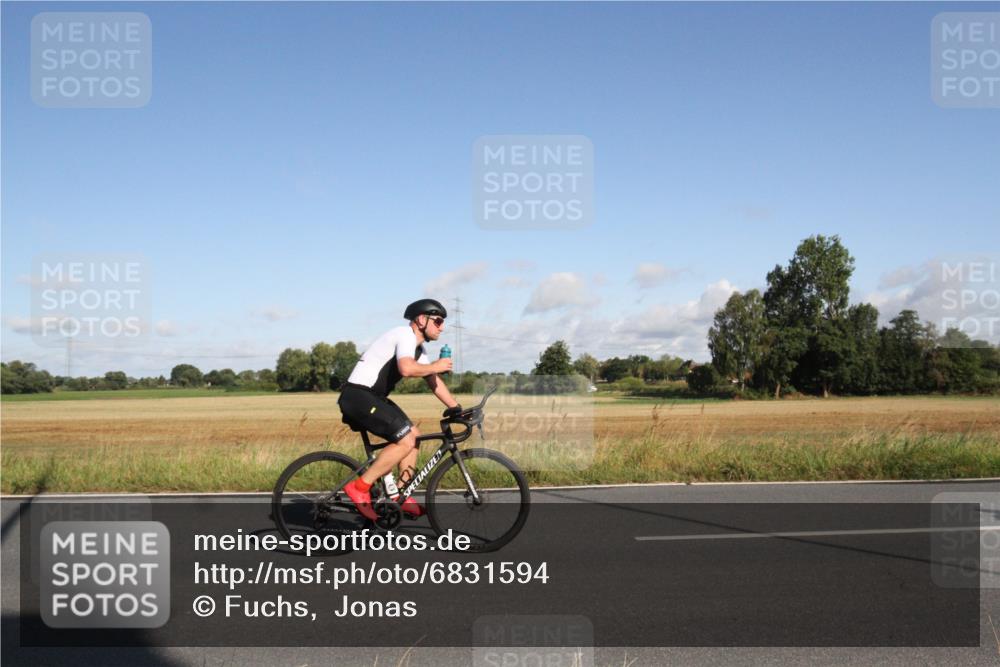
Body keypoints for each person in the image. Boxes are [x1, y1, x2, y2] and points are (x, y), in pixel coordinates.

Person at [337, 298, 460, 520]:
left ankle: (398, 496)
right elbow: (406, 369)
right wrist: (437, 366)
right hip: (358, 396)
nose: (442, 327)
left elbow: (433, 382)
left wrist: (457, 408)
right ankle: (360, 487)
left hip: (372, 397)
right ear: (422, 320)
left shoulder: (418, 349)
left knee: (414, 437)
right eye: (439, 321)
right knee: (404, 440)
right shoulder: (404, 335)